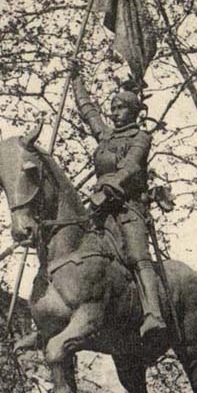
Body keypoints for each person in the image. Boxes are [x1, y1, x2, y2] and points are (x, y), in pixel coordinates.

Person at [71, 65, 167, 347]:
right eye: (112, 108)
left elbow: (131, 166)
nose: (114, 113)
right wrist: (76, 78)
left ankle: (153, 313)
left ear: (133, 111)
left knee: (138, 255)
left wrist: (111, 184)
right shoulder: (107, 137)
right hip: (100, 209)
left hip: (128, 209)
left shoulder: (141, 137)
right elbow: (88, 112)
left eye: (120, 108)